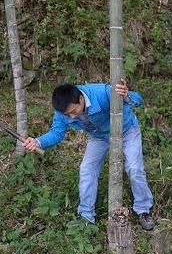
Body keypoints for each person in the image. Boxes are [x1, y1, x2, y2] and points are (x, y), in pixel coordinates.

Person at [21, 80, 156, 231]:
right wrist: (38, 142)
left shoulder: (103, 92)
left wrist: (126, 96)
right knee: (86, 170)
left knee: (134, 168)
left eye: (73, 112)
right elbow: (56, 133)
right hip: (99, 136)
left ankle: (143, 209)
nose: (71, 117)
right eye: (68, 114)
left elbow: (138, 100)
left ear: (81, 99)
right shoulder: (63, 112)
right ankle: (86, 216)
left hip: (126, 131)